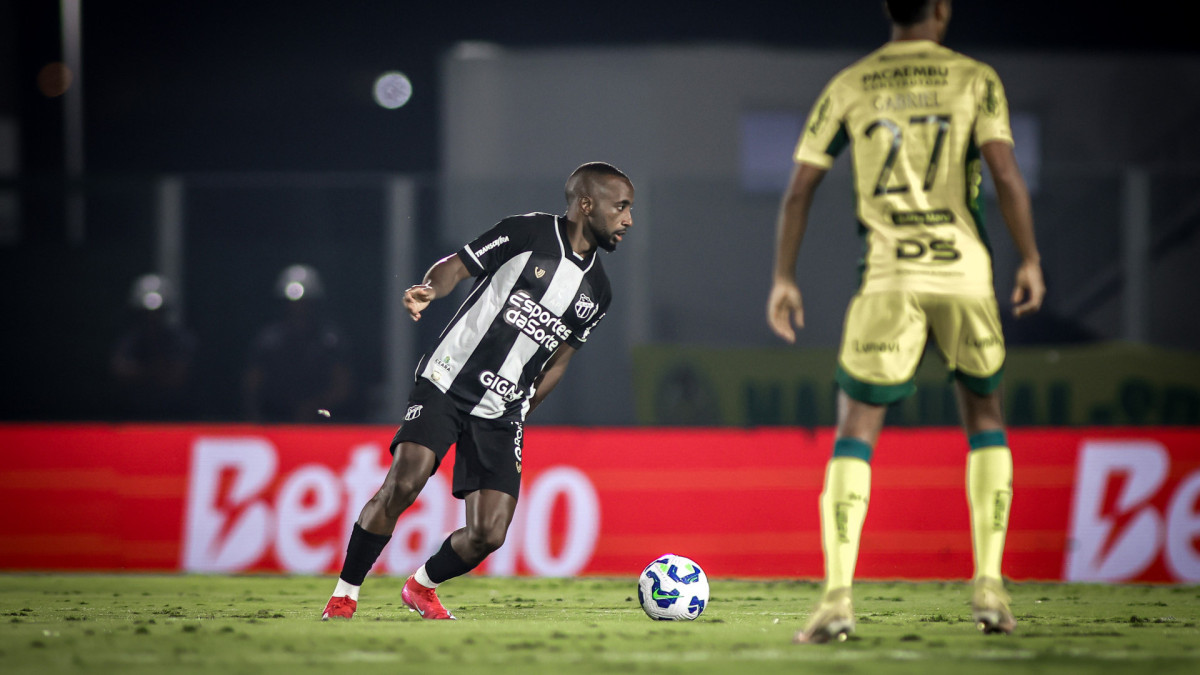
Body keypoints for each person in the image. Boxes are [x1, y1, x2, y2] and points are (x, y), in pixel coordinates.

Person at [766, 0, 1045, 643]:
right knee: (984, 417)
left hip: (890, 277)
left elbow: (798, 189)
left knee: (856, 430)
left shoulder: (850, 83)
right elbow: (1004, 172)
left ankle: (836, 597)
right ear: (943, 9)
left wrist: (784, 277)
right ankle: (991, 588)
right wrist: (1029, 258)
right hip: (965, 274)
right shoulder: (975, 78)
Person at [321, 161, 633, 620]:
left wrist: (523, 407)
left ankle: (421, 586)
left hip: (502, 412)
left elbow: (559, 360)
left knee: (489, 533)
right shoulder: (527, 233)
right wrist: (429, 288)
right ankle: (345, 593)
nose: (628, 219)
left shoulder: (598, 291)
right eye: (620, 206)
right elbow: (454, 266)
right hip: (447, 381)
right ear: (587, 205)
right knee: (405, 483)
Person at [242, 264, 355, 423]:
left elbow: (342, 387)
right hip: (274, 419)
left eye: (305, 303)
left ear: (315, 304)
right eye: (292, 303)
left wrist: (314, 406)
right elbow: (253, 386)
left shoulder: (330, 342)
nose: (298, 309)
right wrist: (255, 418)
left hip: (321, 422)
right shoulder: (268, 342)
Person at [110, 273, 198, 420]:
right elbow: (120, 371)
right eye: (146, 313)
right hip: (134, 417)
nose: (152, 318)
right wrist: (155, 371)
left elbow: (177, 378)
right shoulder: (130, 341)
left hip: (176, 417)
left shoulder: (181, 341)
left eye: (158, 313)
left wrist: (141, 372)